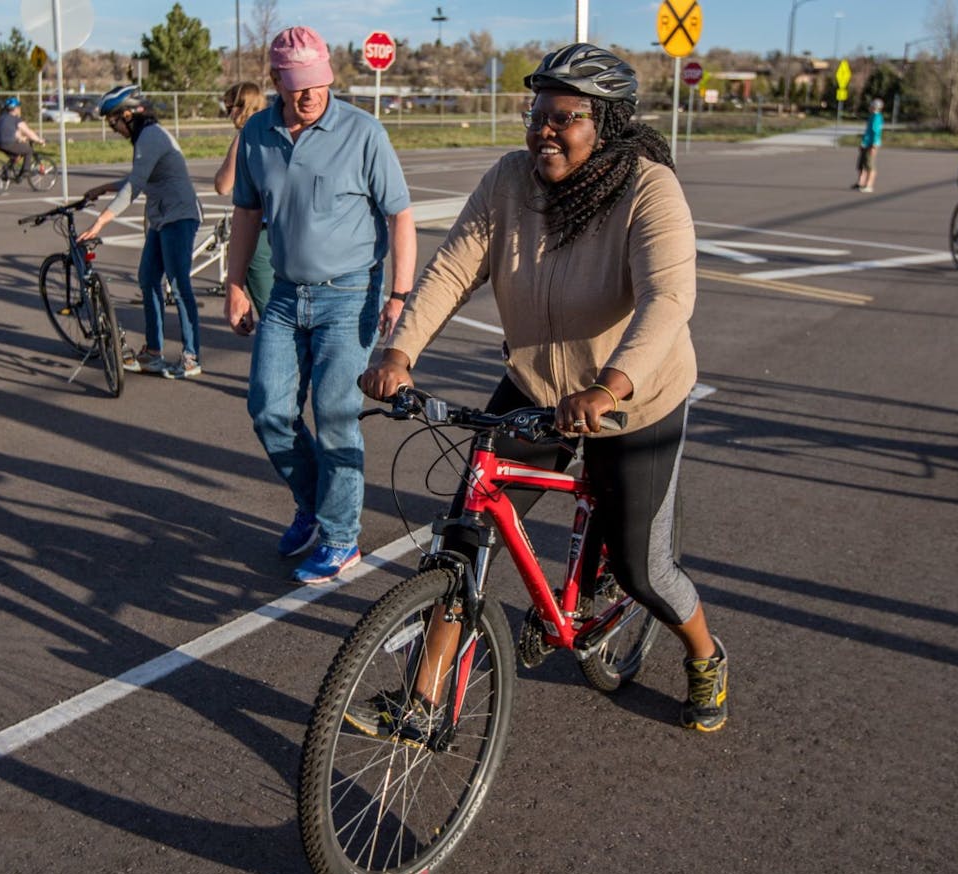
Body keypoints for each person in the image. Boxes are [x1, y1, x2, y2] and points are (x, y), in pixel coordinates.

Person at [359, 43, 729, 732]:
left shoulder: (648, 188)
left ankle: (705, 656)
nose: (544, 131)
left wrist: (611, 385)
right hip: (536, 387)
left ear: (608, 124)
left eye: (566, 117)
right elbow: (450, 271)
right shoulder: (509, 182)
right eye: (537, 114)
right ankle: (423, 699)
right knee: (464, 537)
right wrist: (400, 350)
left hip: (634, 401)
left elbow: (667, 300)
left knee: (645, 570)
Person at [223, 25, 417, 584]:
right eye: (297, 85)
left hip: (350, 292)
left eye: (318, 83)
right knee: (268, 410)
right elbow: (246, 215)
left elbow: (400, 216)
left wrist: (399, 293)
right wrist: (235, 284)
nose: (309, 95)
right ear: (276, 81)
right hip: (285, 294)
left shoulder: (362, 131)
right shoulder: (258, 133)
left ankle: (339, 537)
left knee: (335, 418)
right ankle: (314, 506)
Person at [78, 86, 203, 379]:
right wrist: (105, 187)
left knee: (178, 284)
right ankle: (154, 353)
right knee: (148, 279)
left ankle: (191, 356)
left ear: (129, 114)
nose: (114, 128)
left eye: (114, 120)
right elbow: (141, 176)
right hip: (162, 219)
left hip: (179, 216)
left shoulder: (151, 136)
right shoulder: (147, 137)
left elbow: (134, 186)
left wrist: (99, 223)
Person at [213, 81, 272, 315]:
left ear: (242, 107)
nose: (229, 115)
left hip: (259, 230)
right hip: (288, 231)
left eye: (230, 108)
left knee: (272, 313)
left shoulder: (247, 135)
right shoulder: (276, 127)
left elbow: (222, 185)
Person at [0, 96, 45, 179]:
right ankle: (26, 171)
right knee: (28, 150)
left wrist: (21, 138)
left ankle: (6, 171)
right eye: (18, 107)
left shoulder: (1, 118)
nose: (19, 109)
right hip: (9, 143)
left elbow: (11, 132)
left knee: (16, 155)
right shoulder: (15, 119)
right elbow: (28, 132)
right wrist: (39, 140)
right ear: (15, 109)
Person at [853, 97, 884, 193]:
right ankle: (861, 183)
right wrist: (863, 142)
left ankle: (869, 185)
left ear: (875, 107)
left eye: (871, 105)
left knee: (870, 165)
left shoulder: (877, 118)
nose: (870, 107)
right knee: (862, 164)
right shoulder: (872, 117)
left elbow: (876, 132)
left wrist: (874, 145)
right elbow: (868, 132)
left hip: (871, 144)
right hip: (866, 143)